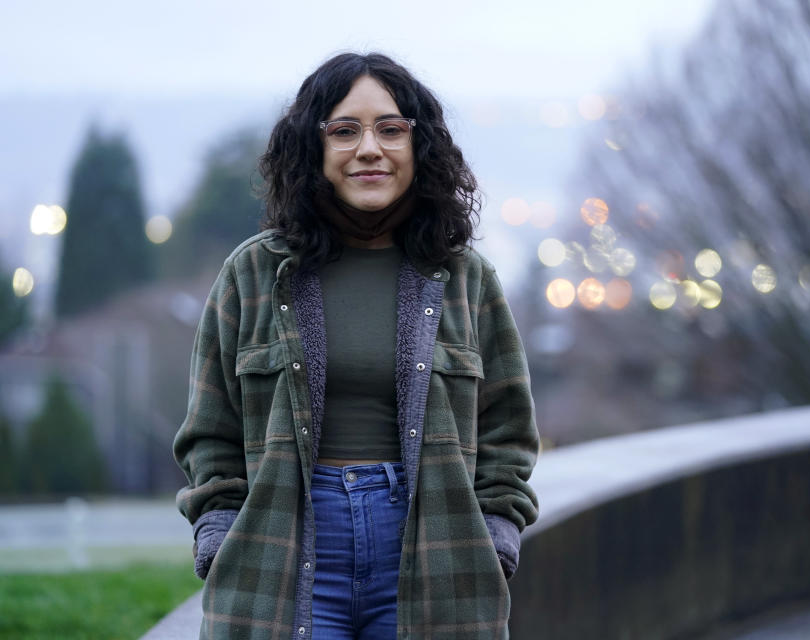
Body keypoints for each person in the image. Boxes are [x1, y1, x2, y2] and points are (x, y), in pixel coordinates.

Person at [173, 51, 539, 640]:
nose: (370, 148)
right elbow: (210, 427)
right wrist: (220, 533)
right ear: (313, 151)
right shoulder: (254, 274)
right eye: (344, 130)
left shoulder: (466, 279)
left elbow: (507, 429)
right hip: (283, 546)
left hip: (434, 549)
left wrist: (495, 534)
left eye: (391, 129)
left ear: (419, 150)